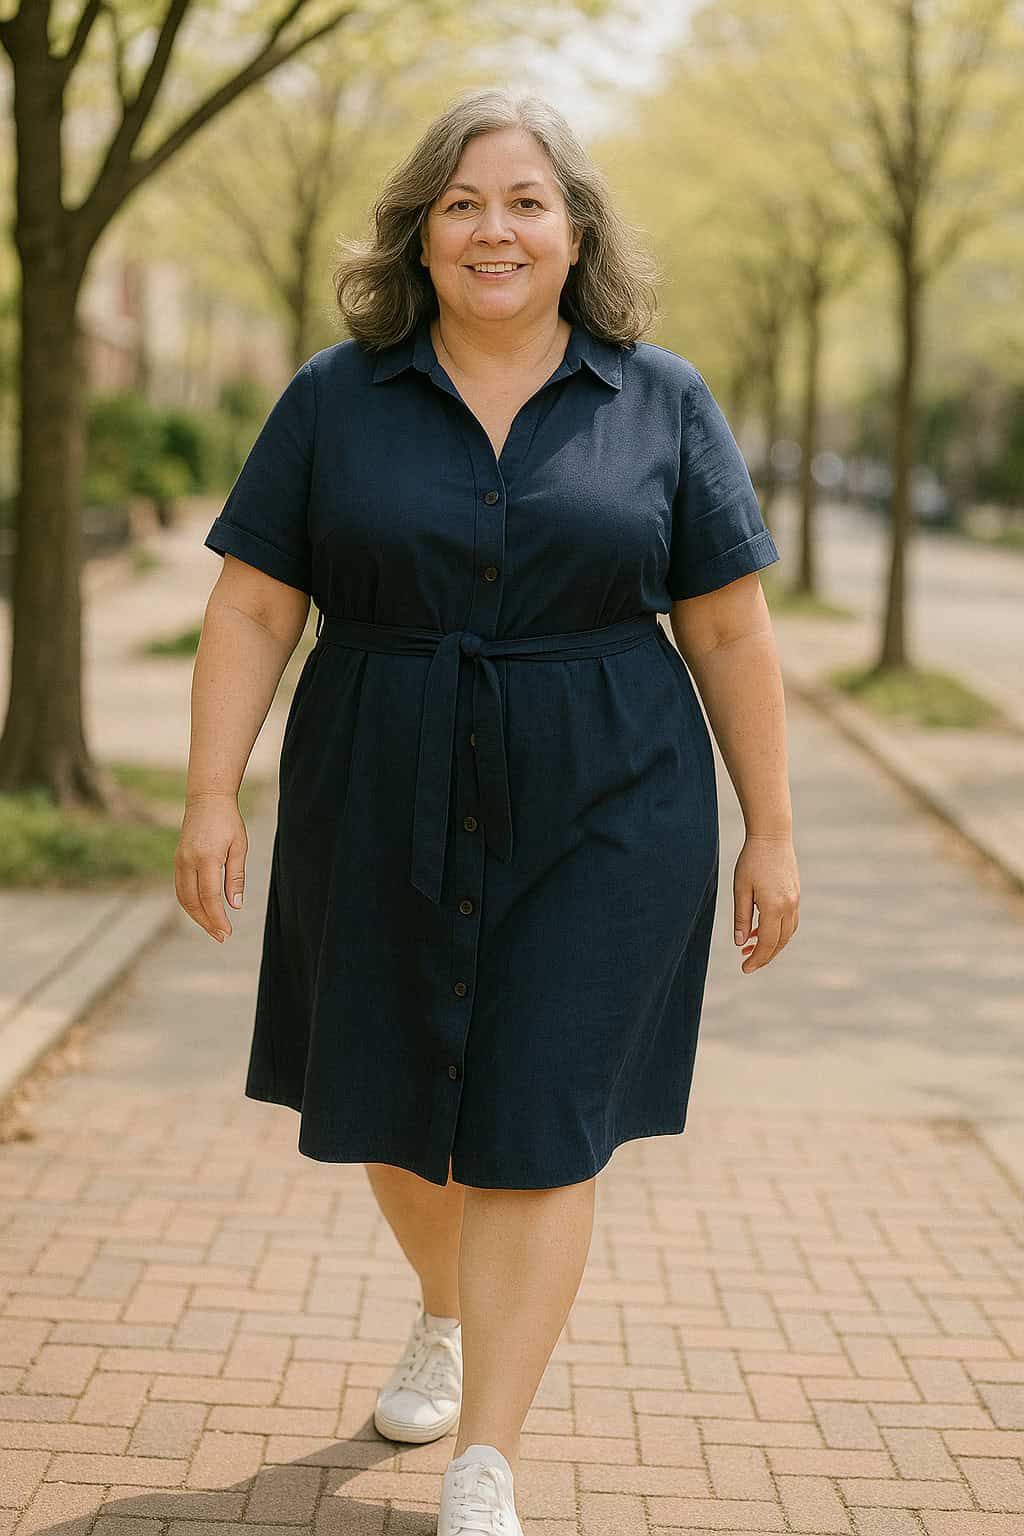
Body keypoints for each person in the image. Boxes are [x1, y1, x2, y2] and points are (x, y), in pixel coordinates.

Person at [176, 86, 800, 1536]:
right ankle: (444, 1311)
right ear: (419, 233)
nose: (495, 228)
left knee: (540, 1111)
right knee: (392, 1101)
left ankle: (489, 1458)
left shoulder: (663, 400)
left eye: (526, 200)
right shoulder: (338, 395)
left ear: (575, 230)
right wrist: (212, 793)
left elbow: (726, 629)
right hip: (374, 781)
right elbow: (259, 602)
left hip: (612, 800)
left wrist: (772, 826)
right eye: (463, 203)